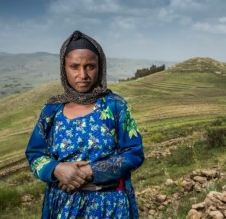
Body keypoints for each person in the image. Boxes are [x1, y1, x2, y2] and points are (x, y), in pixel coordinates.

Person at [25, 30, 145, 219]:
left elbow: (134, 153)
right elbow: (35, 154)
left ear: (100, 67)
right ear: (64, 68)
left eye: (90, 66)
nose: (83, 74)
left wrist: (91, 171)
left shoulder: (115, 106)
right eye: (74, 66)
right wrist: (57, 169)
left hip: (110, 206)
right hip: (63, 205)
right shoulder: (52, 110)